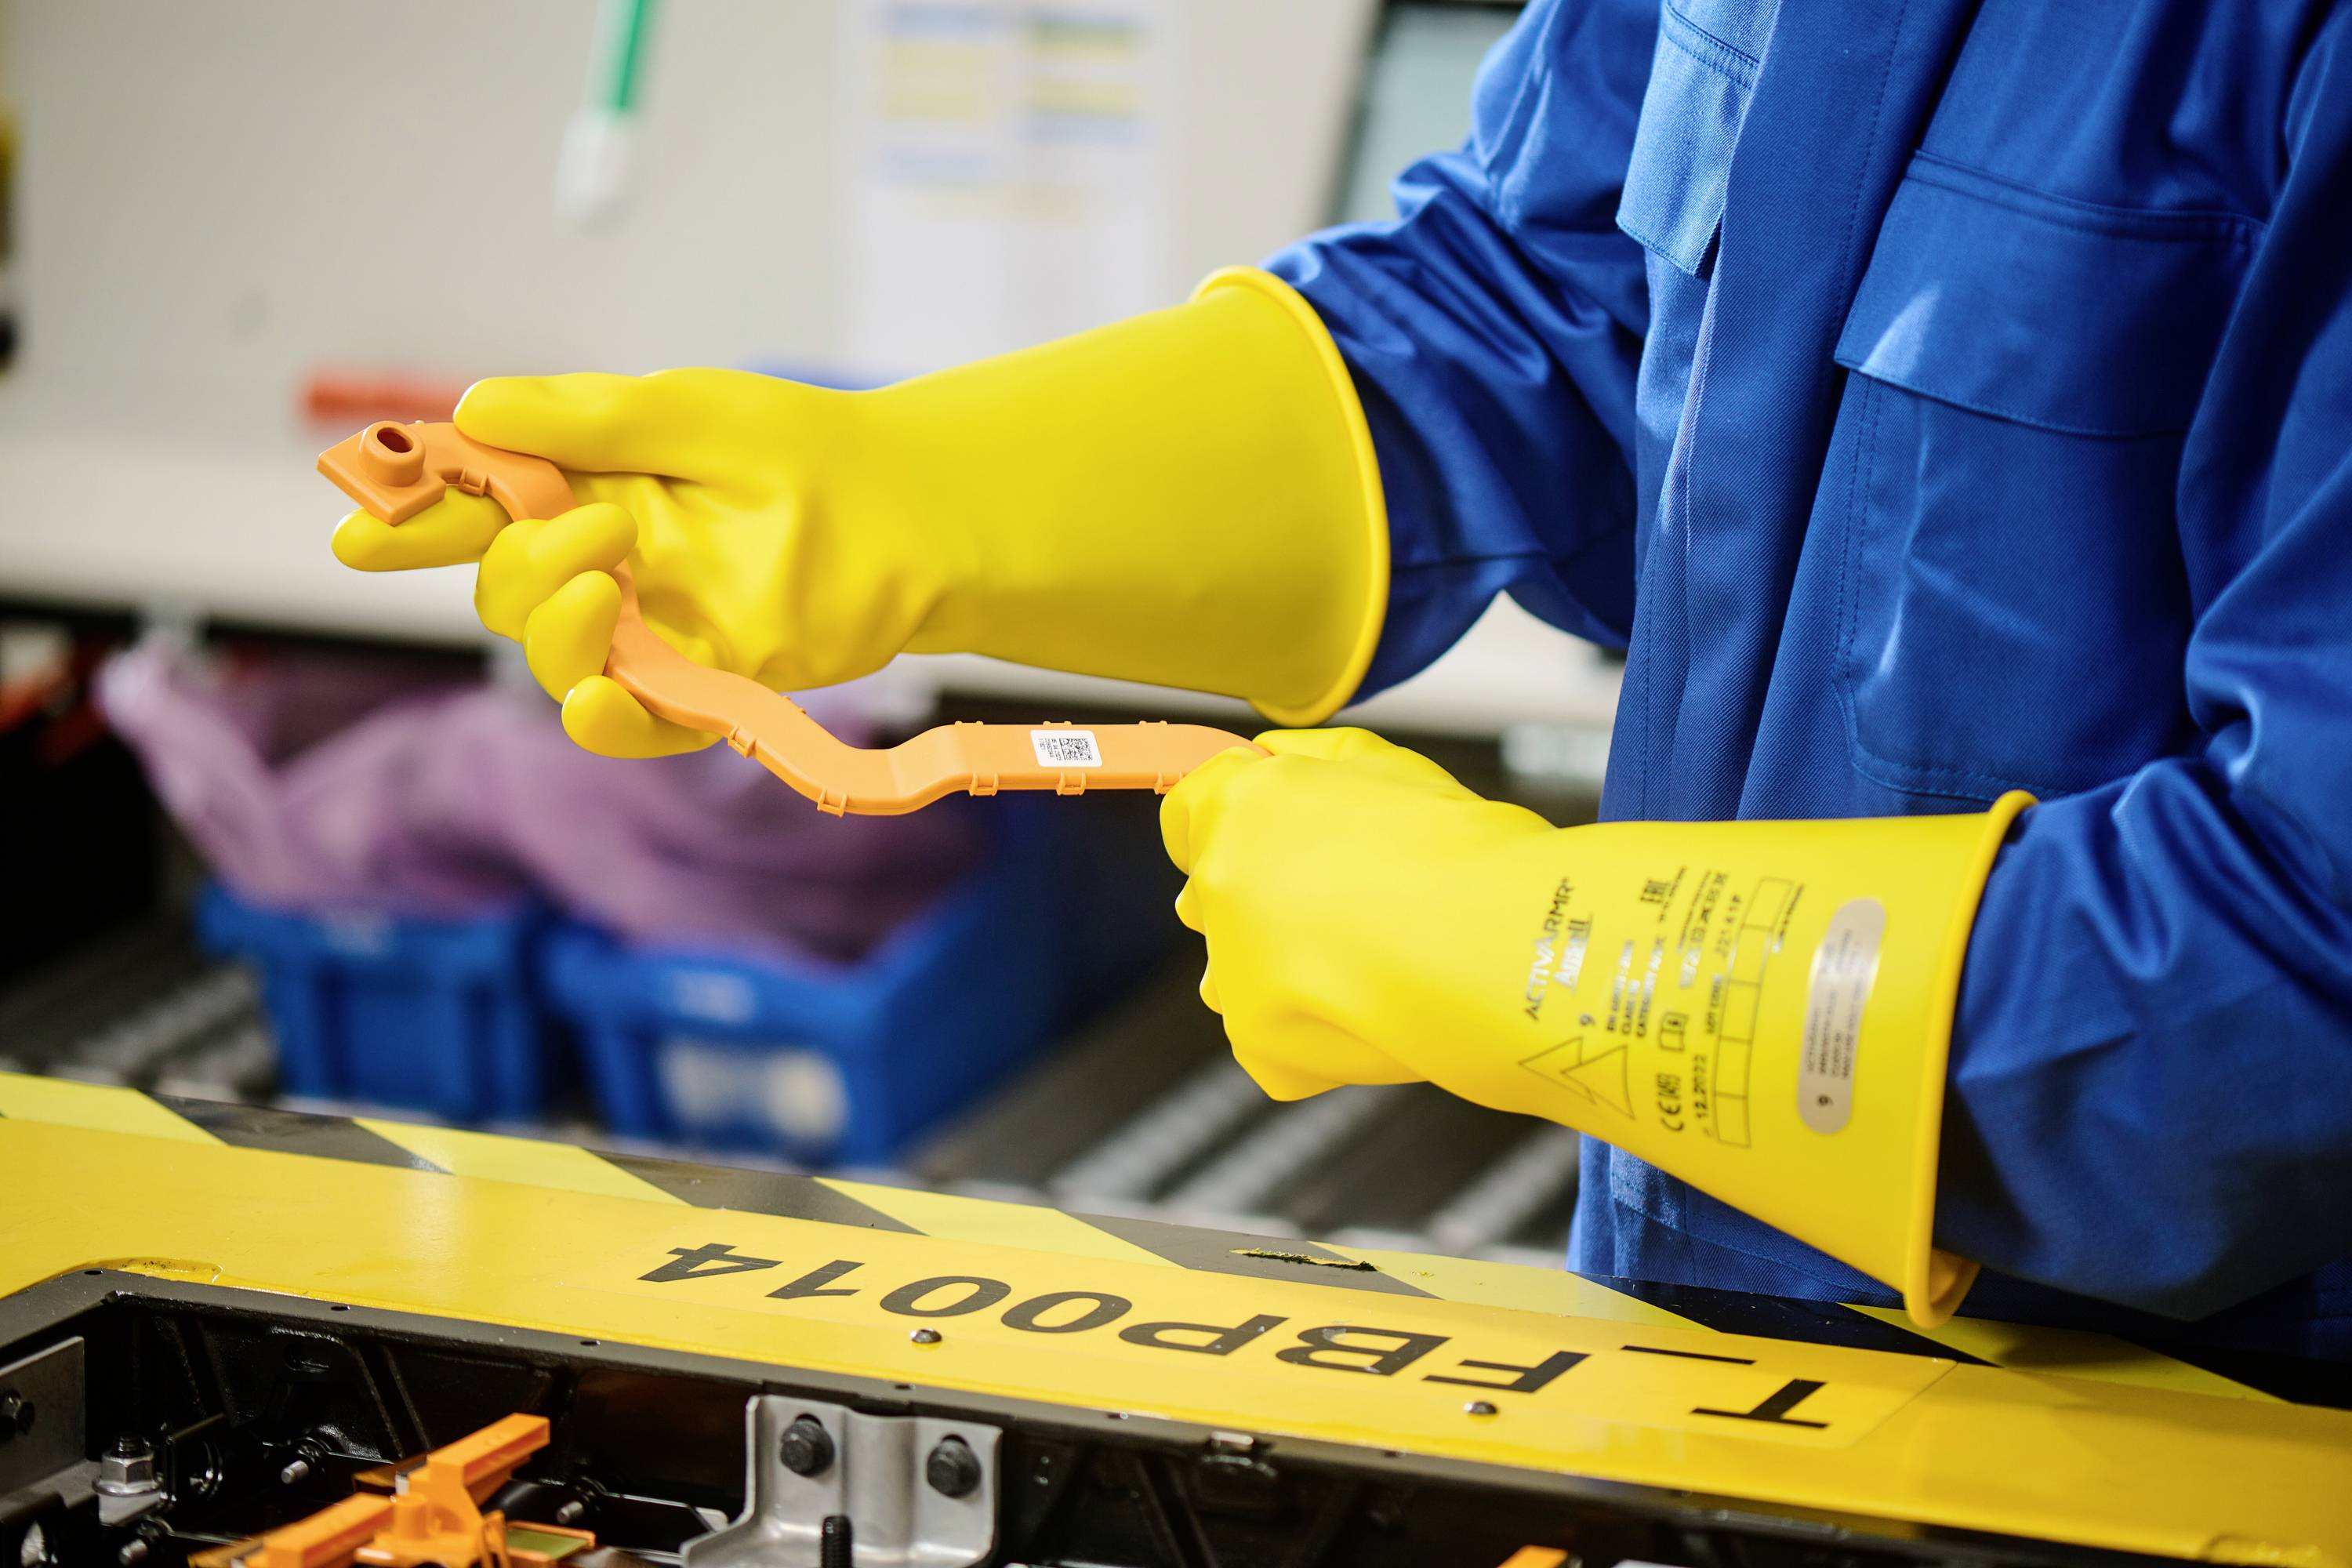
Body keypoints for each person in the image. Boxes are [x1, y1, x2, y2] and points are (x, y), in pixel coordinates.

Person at [335, 0, 2352, 1350]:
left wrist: (1537, 959)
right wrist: (899, 494)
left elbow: (2309, 958)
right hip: (1743, 1366)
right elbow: (1538, 316)